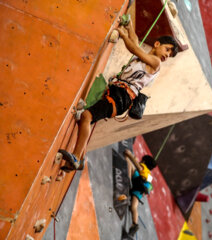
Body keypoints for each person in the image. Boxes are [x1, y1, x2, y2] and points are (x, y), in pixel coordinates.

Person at [59, 18, 179, 170]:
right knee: (88, 118)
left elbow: (134, 49)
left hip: (122, 97)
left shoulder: (156, 63)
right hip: (119, 94)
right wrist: (129, 27)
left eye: (170, 54)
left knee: (86, 116)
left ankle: (75, 158)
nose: (168, 55)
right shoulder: (145, 57)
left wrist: (122, 35)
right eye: (167, 49)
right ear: (157, 44)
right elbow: (135, 43)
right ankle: (80, 159)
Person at [122, 149, 157, 236]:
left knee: (130, 164)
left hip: (137, 183)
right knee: (134, 206)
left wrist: (129, 155)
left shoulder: (143, 168)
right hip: (141, 190)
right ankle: (134, 224)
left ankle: (128, 181)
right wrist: (133, 157)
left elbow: (137, 166)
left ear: (144, 161)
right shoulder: (149, 174)